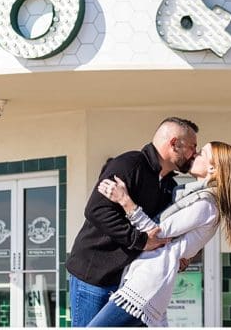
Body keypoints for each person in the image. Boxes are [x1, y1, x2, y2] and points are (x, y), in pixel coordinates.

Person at [88, 142, 231, 327]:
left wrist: (125, 201)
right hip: (143, 280)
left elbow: (155, 234)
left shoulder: (206, 205)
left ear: (213, 167)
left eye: (201, 153)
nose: (194, 155)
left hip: (144, 286)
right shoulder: (193, 198)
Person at [67, 117, 199, 326]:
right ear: (174, 143)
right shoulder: (128, 164)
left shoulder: (168, 185)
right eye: (192, 147)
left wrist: (180, 254)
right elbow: (96, 210)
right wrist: (140, 241)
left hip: (130, 283)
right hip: (95, 276)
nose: (195, 154)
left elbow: (159, 229)